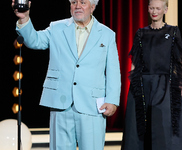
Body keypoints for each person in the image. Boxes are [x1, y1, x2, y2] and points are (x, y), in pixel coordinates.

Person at [12, 0, 121, 149]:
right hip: (61, 103)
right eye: (74, 2)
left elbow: (113, 70)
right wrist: (24, 18)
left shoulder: (107, 34)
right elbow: (35, 41)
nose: (77, 6)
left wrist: (112, 100)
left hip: (92, 105)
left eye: (83, 2)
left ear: (93, 7)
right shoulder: (57, 28)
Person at [121, 0, 182, 149]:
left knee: (164, 126)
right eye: (152, 8)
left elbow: (176, 63)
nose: (155, 11)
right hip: (143, 83)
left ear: (165, 10)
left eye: (158, 8)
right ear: (148, 9)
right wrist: (134, 87)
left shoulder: (173, 32)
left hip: (165, 85)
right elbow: (135, 62)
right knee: (138, 128)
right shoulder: (141, 33)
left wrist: (179, 88)